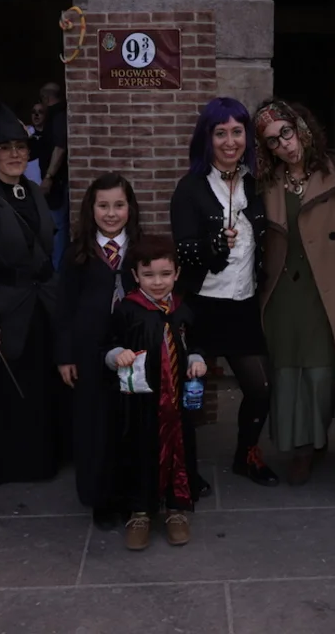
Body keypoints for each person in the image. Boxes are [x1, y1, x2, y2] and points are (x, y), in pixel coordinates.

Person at [254, 98, 335, 486]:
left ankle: (316, 436)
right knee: (287, 373)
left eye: (286, 133)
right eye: (273, 141)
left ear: (302, 128)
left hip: (327, 290)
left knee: (323, 373)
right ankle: (300, 450)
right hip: (282, 293)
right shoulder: (267, 181)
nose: (284, 145)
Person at [170, 97, 278, 487]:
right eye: (220, 133)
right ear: (207, 138)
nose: (230, 141)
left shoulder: (256, 184)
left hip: (243, 306)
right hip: (200, 308)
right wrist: (213, 244)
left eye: (237, 132)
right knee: (189, 395)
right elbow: (182, 250)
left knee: (261, 389)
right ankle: (183, 469)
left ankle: (246, 455)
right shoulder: (190, 188)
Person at [0, 100, 63, 487]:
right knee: (4, 391)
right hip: (4, 306)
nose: (15, 154)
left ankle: (41, 461)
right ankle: (5, 467)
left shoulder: (34, 191)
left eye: (20, 147)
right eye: (5, 148)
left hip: (41, 302)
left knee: (39, 385)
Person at [105, 235, 207, 551]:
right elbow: (109, 342)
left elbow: (196, 341)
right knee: (140, 451)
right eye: (149, 275)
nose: (158, 282)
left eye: (165, 274)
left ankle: (176, 509)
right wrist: (116, 354)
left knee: (179, 451)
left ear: (176, 273)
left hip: (177, 401)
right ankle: (140, 513)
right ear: (135, 275)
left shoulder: (182, 309)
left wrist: (197, 358)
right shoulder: (128, 309)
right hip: (141, 402)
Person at [58, 173, 142, 529]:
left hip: (133, 352)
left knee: (129, 423)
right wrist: (65, 355)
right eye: (103, 205)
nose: (111, 213)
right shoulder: (77, 253)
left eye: (119, 205)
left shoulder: (140, 251)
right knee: (95, 426)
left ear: (130, 208)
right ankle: (99, 498)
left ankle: (131, 494)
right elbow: (63, 307)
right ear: (91, 209)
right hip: (89, 353)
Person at [36, 82, 70, 269]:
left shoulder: (57, 116)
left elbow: (60, 147)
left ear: (46, 97)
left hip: (57, 182)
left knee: (58, 226)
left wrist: (49, 176)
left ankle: (58, 269)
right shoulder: (58, 115)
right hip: (57, 180)